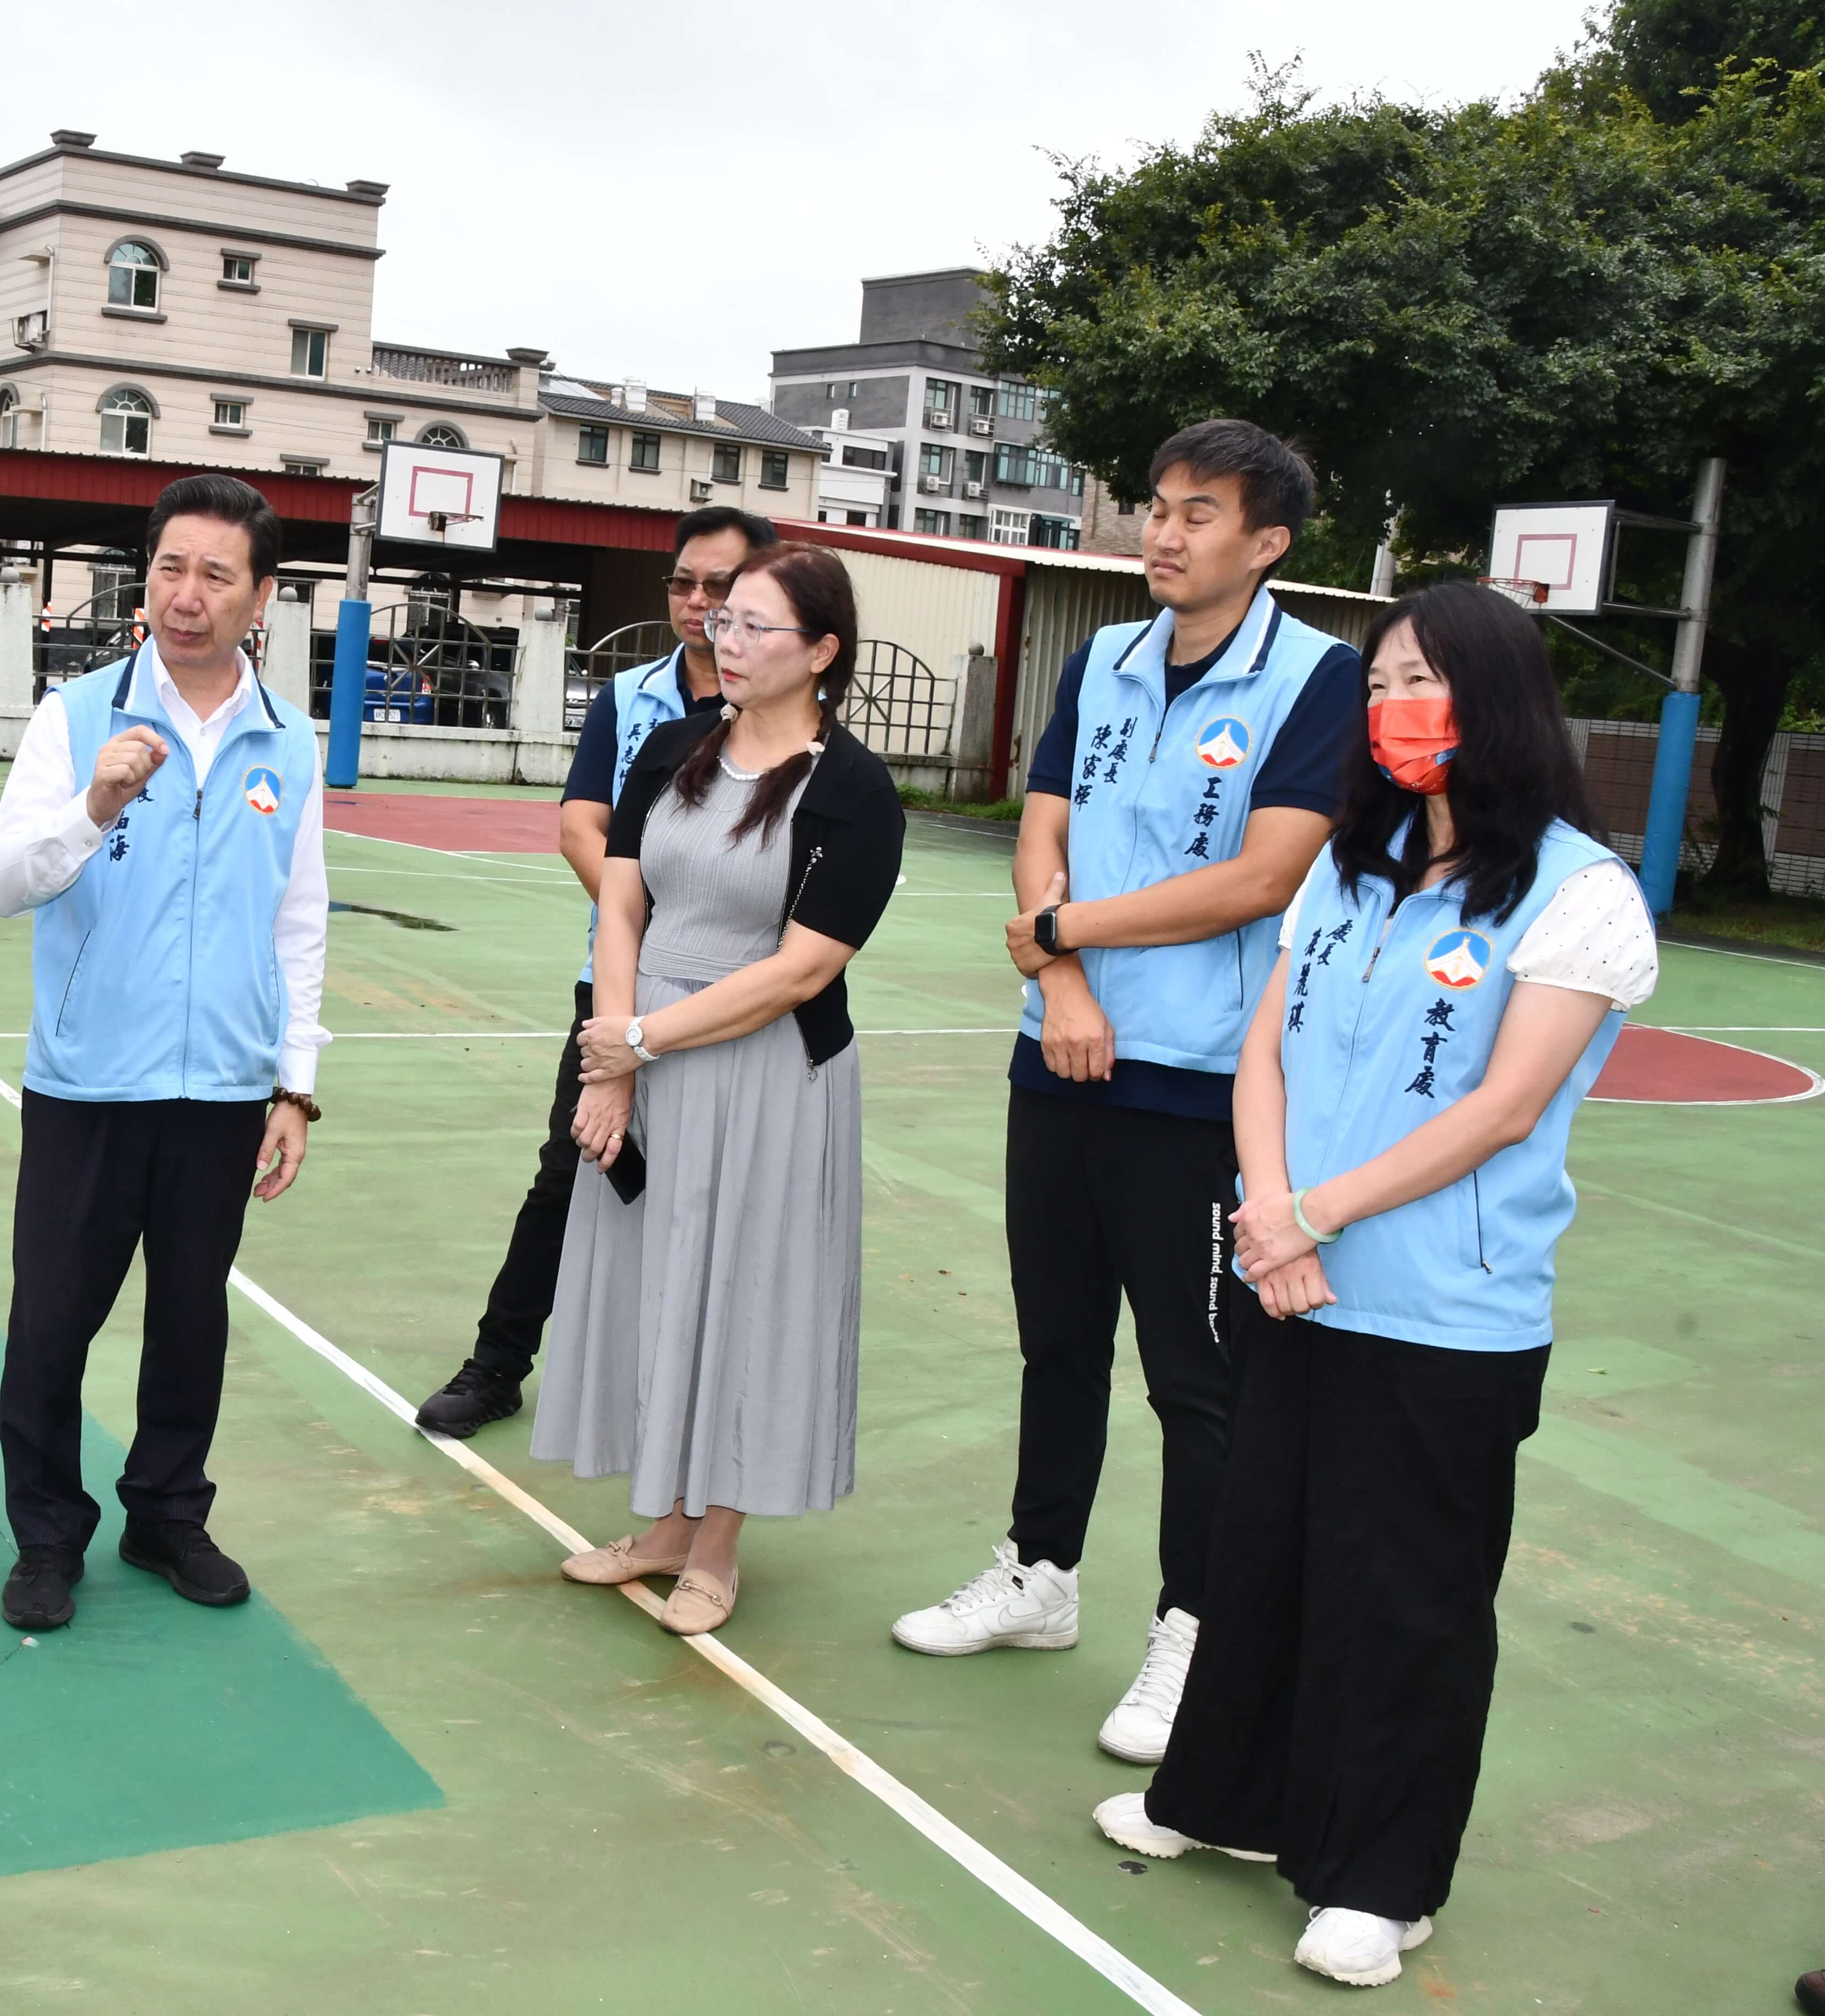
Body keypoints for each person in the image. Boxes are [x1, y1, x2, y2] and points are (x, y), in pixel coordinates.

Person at [1094, 581, 1656, 1990]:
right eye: (1389, 680)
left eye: (1431, 682)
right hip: (1296, 1279)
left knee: (1403, 1600)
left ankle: (1381, 1880)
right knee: (1263, 1557)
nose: (1402, 706)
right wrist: (1270, 1210)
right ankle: (1218, 1802)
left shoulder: (1579, 893)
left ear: (1500, 704)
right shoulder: (1353, 861)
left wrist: (1314, 1216)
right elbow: (1268, 1050)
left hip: (1439, 1316)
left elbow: (1506, 1106)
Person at [889, 418, 1362, 1766]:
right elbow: (1044, 822)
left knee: (1197, 1381)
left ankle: (1195, 1625)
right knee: (1057, 1341)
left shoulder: (1316, 681)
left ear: (1266, 543)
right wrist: (1069, 981)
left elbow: (1262, 877)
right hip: (1064, 1055)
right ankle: (1039, 1575)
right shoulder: (1103, 657)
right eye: (1155, 506)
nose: (1163, 531)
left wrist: (1070, 936)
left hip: (1205, 1086)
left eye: (1198, 512)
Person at [532, 542, 903, 1635]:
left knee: (746, 1299)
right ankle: (664, 1523)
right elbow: (619, 901)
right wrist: (613, 1054)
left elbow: (801, 969)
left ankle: (719, 1541)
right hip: (647, 1051)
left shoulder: (853, 788)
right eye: (721, 619)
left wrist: (635, 1040)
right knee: (657, 1289)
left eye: (754, 626)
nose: (723, 639)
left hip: (764, 1075)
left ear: (822, 651)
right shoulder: (670, 746)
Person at [0, 473, 325, 1633]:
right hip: (89, 1082)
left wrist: (296, 1083)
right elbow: (2, 885)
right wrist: (94, 804)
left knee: (191, 1315)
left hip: (224, 1089)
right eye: (171, 567)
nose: (188, 595)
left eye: (216, 574)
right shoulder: (74, 716)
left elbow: (299, 920)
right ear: (147, 579)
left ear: (260, 595)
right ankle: (45, 1534)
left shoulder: (287, 740)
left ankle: (167, 1509)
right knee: (51, 1323)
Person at [414, 506, 779, 1439]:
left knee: (712, 1188)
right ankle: (497, 1365)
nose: (699, 605)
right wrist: (647, 931)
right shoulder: (632, 698)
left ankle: (690, 1392)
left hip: (737, 995)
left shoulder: (781, 712)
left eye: (721, 589)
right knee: (575, 1166)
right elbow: (584, 825)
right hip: (619, 980)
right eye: (684, 585)